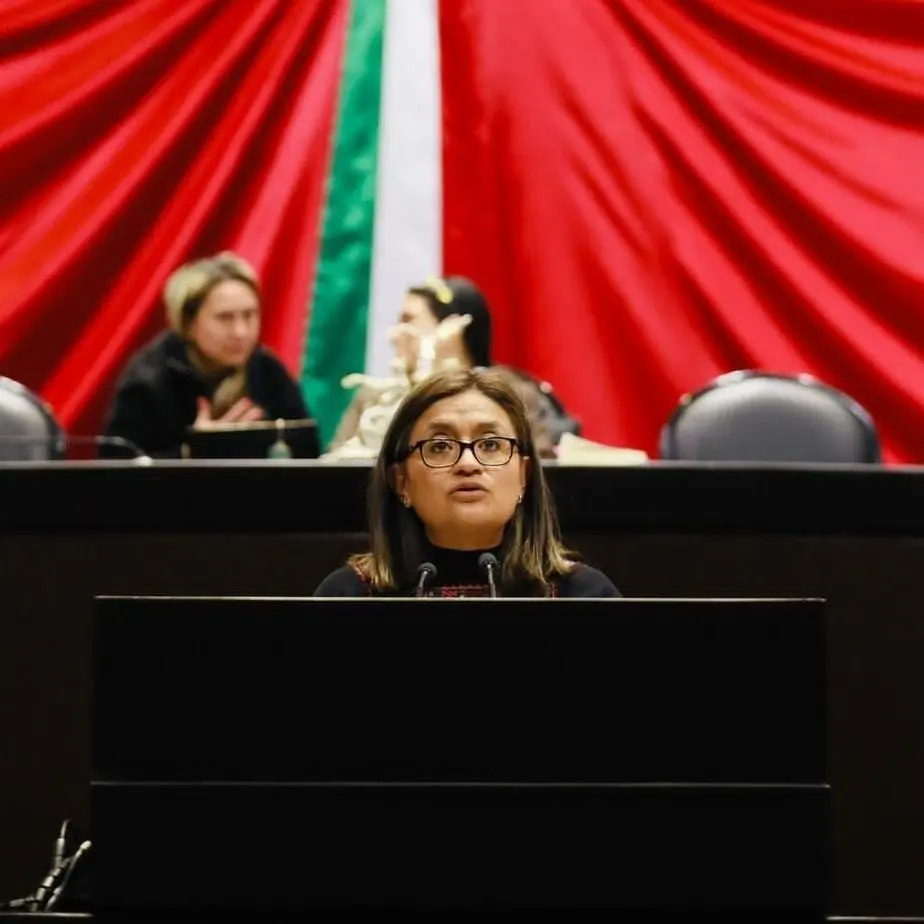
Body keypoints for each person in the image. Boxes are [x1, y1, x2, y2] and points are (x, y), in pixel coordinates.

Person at [315, 367, 619, 598]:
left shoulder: (583, 595)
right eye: (439, 446)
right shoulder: (348, 595)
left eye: (490, 445)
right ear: (401, 481)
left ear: (523, 475)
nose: (468, 464)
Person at [326, 276, 570, 459]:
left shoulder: (510, 394)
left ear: (454, 329)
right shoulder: (373, 398)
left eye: (408, 320)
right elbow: (331, 467)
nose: (394, 335)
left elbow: (536, 470)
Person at [103, 252, 314, 458]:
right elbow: (117, 471)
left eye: (249, 315)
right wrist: (194, 451)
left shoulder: (265, 369)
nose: (241, 332)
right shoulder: (149, 381)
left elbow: (308, 450)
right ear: (189, 324)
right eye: (225, 318)